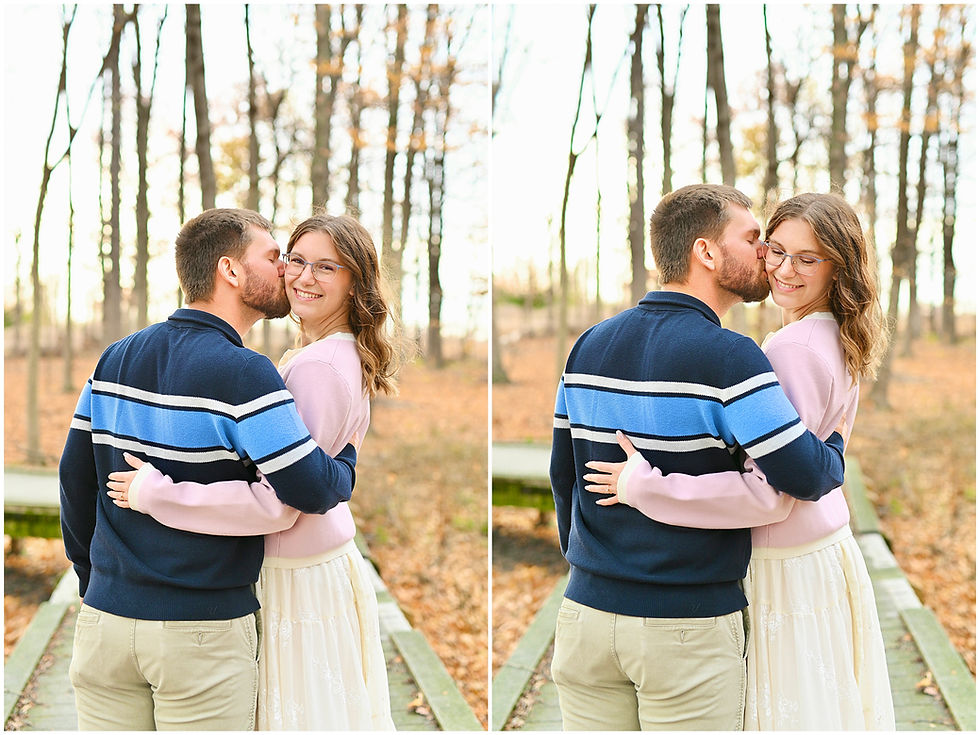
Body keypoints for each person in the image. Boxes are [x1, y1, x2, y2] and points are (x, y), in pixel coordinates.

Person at [584, 192, 894, 730]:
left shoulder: (790, 349)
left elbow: (770, 493)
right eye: (774, 249)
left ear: (838, 267)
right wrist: (833, 458)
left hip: (784, 561)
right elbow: (820, 454)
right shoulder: (837, 335)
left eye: (807, 258)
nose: (782, 269)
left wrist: (644, 486)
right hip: (823, 548)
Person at [59, 208, 358, 731]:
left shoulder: (114, 359)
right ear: (231, 271)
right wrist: (347, 465)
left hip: (103, 625)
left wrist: (96, 583)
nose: (286, 269)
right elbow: (310, 489)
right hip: (201, 635)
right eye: (272, 256)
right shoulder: (246, 375)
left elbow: (74, 483)